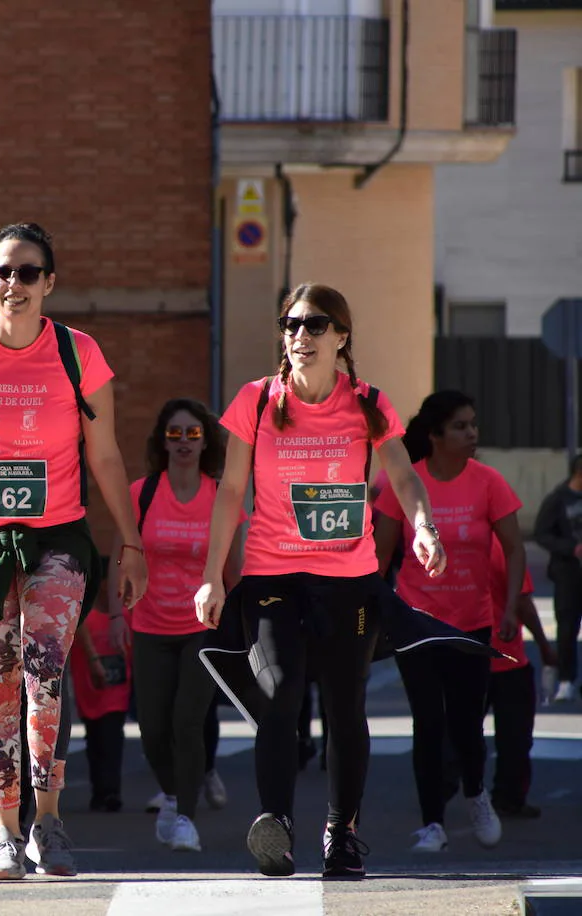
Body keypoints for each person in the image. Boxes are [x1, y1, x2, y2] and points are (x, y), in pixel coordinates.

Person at [0, 222, 147, 880]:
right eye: (4, 272)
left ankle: (50, 823)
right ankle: (5, 834)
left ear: (50, 283)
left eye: (29, 272)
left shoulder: (79, 354)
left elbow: (105, 453)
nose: (15, 284)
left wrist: (129, 543)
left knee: (45, 675)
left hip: (58, 541)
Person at [194, 283, 447, 881]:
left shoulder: (368, 404)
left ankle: (342, 833)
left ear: (341, 336)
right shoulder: (256, 401)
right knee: (278, 694)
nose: (300, 336)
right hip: (272, 573)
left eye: (313, 325)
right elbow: (231, 491)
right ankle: (276, 828)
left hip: (347, 579)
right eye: (290, 324)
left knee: (344, 705)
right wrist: (211, 576)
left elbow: (403, 480)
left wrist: (425, 528)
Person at [373, 390, 524, 853]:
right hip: (417, 624)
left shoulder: (488, 482)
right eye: (461, 426)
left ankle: (477, 794)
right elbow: (378, 560)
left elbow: (515, 549)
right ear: (435, 435)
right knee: (428, 723)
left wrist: (511, 608)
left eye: (473, 424)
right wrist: (376, 615)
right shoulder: (405, 483)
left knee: (466, 724)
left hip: (472, 623)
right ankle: (432, 821)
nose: (472, 433)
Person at [129, 398, 241, 853]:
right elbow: (125, 557)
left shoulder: (221, 496)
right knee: (153, 728)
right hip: (149, 624)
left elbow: (235, 567)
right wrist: (119, 614)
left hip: (202, 625)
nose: (182, 442)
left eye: (192, 434)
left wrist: (246, 624)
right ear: (162, 440)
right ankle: (175, 793)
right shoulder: (142, 492)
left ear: (206, 441)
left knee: (187, 722)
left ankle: (186, 818)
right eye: (174, 434)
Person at [485, 536, 554, 818]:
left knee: (455, 730)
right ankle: (509, 796)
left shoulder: (450, 542)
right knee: (515, 735)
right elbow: (523, 601)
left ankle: (443, 790)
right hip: (505, 654)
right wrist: (545, 646)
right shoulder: (504, 546)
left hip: (463, 653)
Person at [69, 570, 130, 814]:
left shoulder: (124, 614)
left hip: (117, 690)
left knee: (112, 737)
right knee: (94, 739)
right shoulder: (82, 615)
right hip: (89, 689)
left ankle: (111, 791)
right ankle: (99, 792)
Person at [532, 454, 582, 703]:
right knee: (567, 629)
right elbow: (541, 533)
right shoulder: (558, 499)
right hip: (568, 575)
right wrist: (570, 547)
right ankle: (566, 679)